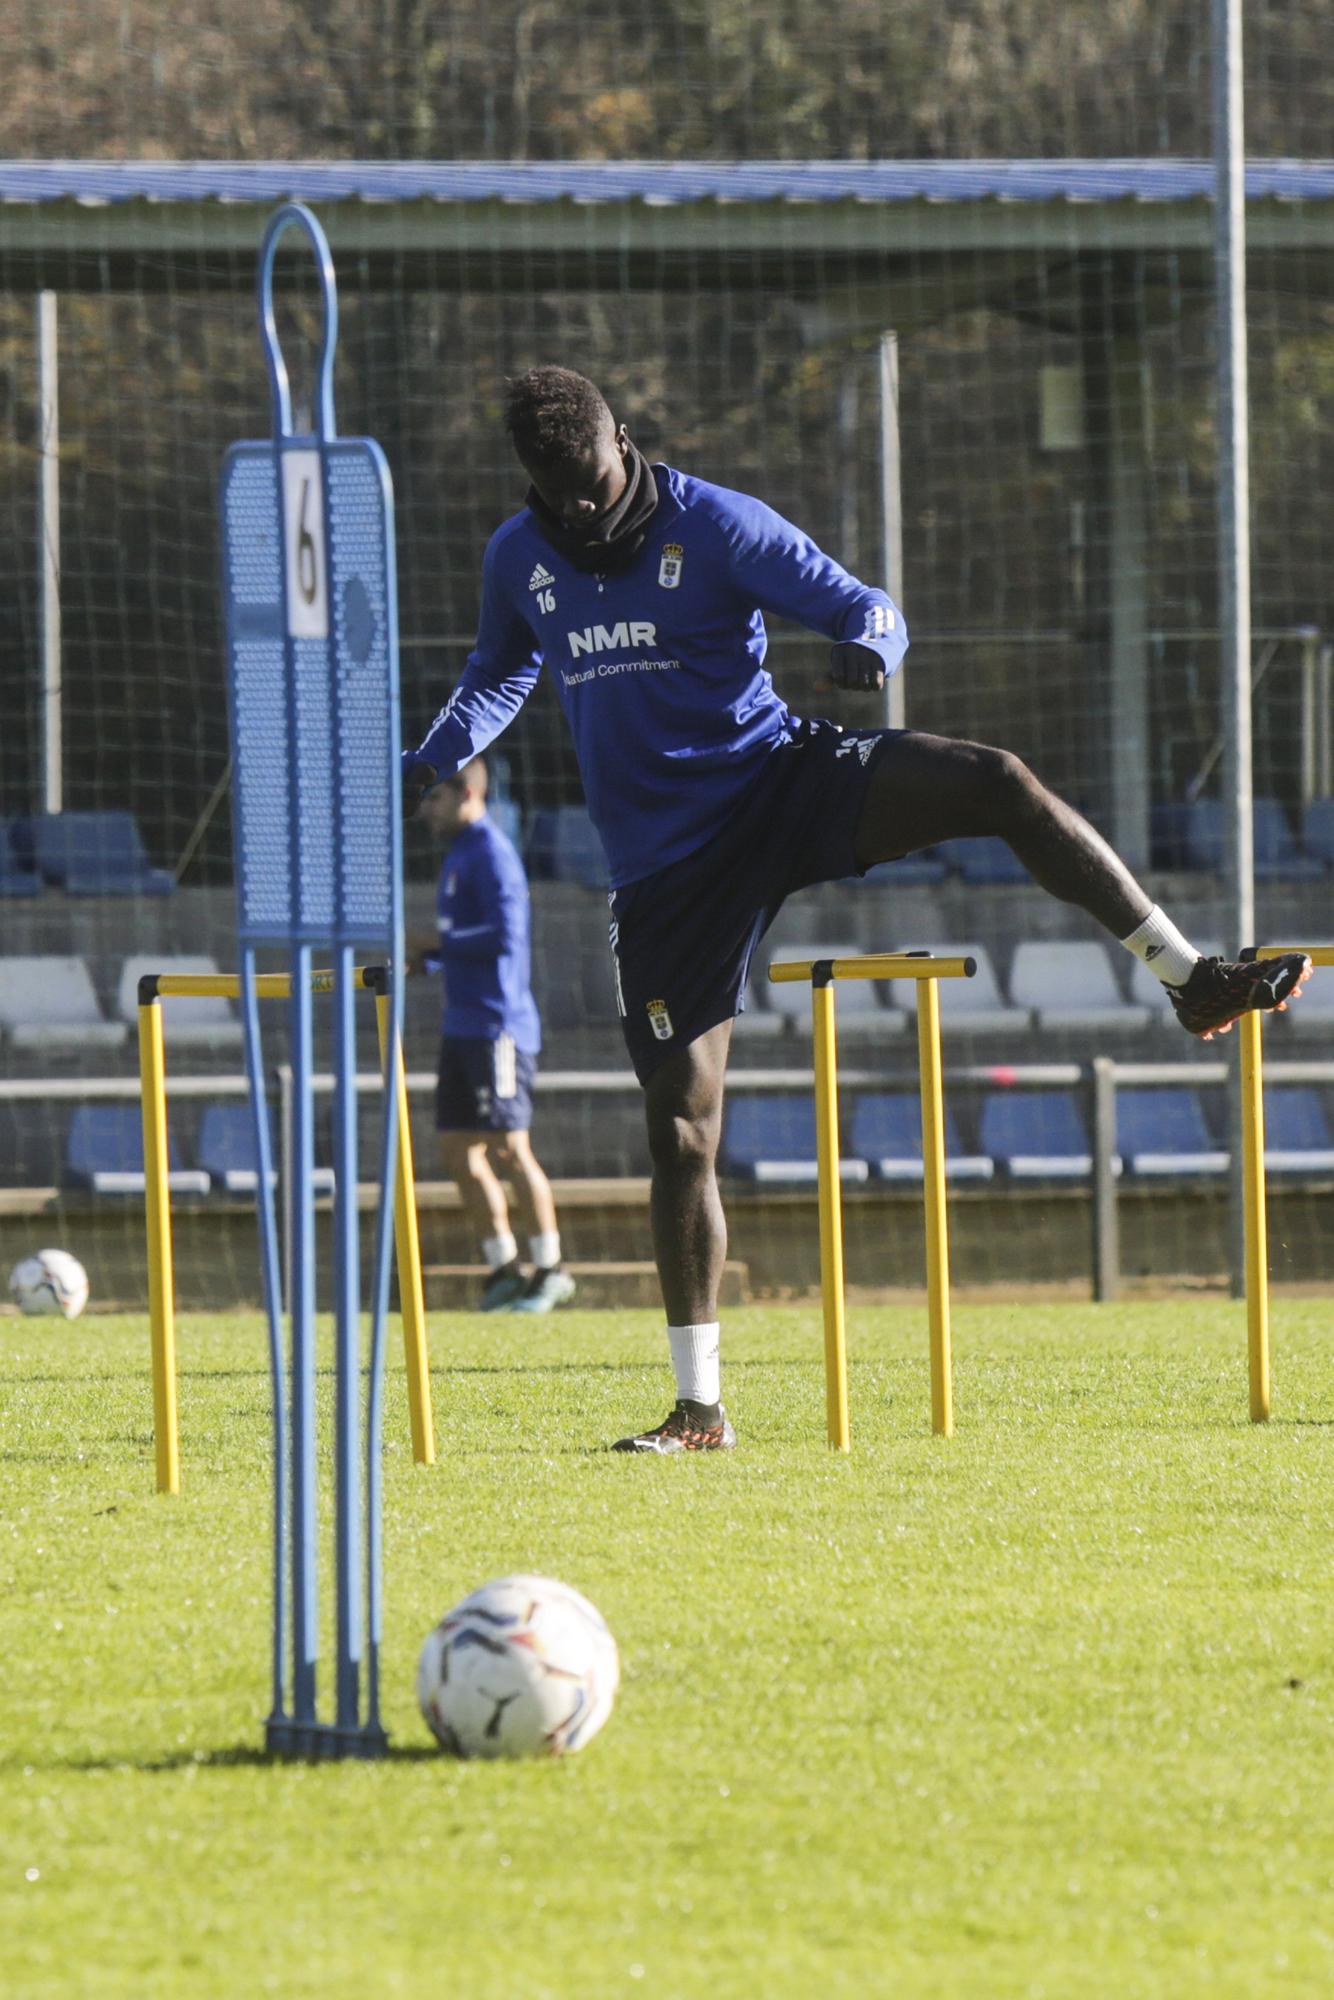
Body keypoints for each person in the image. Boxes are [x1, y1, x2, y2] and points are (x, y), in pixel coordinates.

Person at [404, 365, 1310, 1448]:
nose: (583, 508)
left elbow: (864, 603)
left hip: (778, 781)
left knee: (997, 779)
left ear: (622, 442)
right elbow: (498, 671)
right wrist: (437, 749)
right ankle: (699, 1410)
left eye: (594, 481)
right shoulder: (520, 557)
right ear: (533, 488)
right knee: (681, 1127)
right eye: (560, 496)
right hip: (662, 869)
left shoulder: (714, 522)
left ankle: (1189, 976)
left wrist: (867, 647)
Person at [410, 756, 575, 1314]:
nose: (425, 808)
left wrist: (433, 943)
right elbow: (463, 942)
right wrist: (429, 962)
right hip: (462, 1025)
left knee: (509, 1146)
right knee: (457, 1150)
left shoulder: (493, 853)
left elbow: (506, 937)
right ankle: (504, 1269)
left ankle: (551, 1268)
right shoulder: (458, 856)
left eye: (433, 797)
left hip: (497, 1026)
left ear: (466, 792)